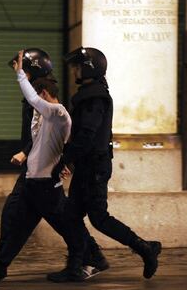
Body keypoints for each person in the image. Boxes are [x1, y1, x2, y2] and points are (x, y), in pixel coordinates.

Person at [0, 50, 97, 282]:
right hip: (34, 180)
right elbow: (47, 144)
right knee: (18, 223)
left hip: (46, 183)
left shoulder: (58, 113)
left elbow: (35, 103)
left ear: (45, 93)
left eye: (39, 95)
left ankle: (90, 260)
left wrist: (20, 75)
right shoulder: (46, 117)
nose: (35, 100)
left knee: (68, 224)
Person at [47, 46, 162, 282]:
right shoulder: (90, 93)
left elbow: (86, 134)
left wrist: (65, 160)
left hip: (94, 167)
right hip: (89, 166)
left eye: (77, 66)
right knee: (70, 216)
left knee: (99, 218)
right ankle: (75, 266)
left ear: (89, 68)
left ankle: (145, 248)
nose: (74, 71)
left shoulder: (94, 97)